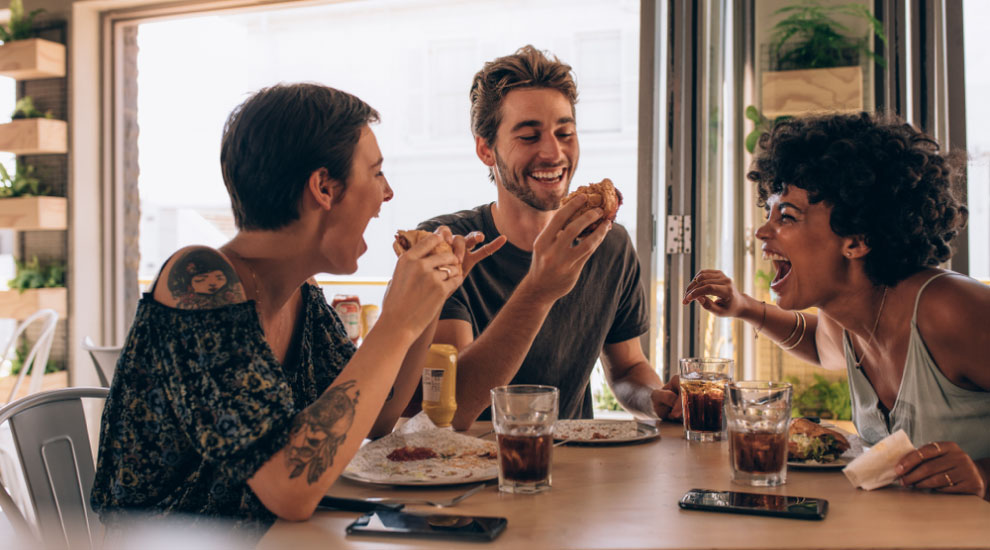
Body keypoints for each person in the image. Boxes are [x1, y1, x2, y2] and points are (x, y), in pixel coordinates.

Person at [90, 83, 493, 534]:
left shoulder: (301, 295)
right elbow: (290, 487)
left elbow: (376, 417)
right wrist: (396, 320)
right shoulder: (199, 281)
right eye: (376, 174)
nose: (388, 193)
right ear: (323, 187)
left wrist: (429, 301)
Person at [683, 112, 989, 500]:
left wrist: (983, 473)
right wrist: (745, 308)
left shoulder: (951, 310)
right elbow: (818, 344)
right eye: (768, 213)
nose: (763, 231)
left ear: (857, 240)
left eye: (787, 217)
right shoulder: (846, 318)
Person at [418, 45, 680, 430]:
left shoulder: (609, 244)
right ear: (485, 149)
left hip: (571, 469)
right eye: (528, 136)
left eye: (565, 133)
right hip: (466, 470)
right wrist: (540, 288)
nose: (553, 152)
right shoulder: (446, 247)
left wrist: (655, 399)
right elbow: (450, 408)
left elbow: (628, 368)